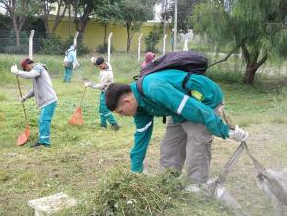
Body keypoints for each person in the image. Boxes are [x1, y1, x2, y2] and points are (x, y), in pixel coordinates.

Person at [104, 70, 249, 184]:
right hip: (178, 107)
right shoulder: (139, 109)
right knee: (170, 146)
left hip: (204, 99)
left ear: (127, 101)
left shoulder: (154, 88)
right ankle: (168, 180)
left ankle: (197, 185)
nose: (123, 115)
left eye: (121, 112)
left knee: (197, 138)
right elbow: (140, 139)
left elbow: (193, 108)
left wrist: (224, 130)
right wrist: (135, 172)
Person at [11, 58, 58, 148]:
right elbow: (34, 90)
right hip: (46, 101)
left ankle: (44, 143)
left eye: (26, 69)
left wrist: (17, 72)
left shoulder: (38, 68)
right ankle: (42, 141)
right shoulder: (36, 71)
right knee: (43, 121)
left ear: (28, 65)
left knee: (44, 121)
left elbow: (30, 75)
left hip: (49, 100)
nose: (26, 71)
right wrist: (25, 97)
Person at [85, 57, 120, 130]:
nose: (100, 67)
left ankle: (114, 124)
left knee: (105, 109)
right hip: (104, 91)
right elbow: (98, 64)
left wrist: (90, 84)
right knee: (101, 109)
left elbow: (100, 86)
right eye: (99, 66)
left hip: (109, 92)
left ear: (104, 63)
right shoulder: (107, 64)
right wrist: (94, 61)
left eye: (101, 66)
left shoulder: (106, 74)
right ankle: (103, 125)